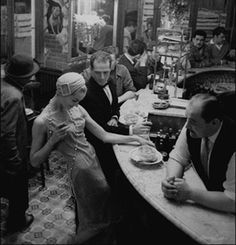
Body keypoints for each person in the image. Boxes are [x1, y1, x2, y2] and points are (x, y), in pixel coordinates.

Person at [30, 72, 152, 244]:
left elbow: (104, 135)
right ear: (62, 93)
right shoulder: (42, 121)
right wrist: (52, 141)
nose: (76, 105)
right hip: (77, 171)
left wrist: (135, 139)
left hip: (93, 161)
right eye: (74, 100)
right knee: (90, 216)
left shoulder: (77, 107)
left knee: (104, 205)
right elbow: (34, 161)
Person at [80, 51, 151, 186]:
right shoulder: (86, 93)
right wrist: (131, 130)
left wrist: (114, 116)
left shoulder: (111, 82)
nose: (102, 77)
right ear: (90, 70)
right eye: (97, 72)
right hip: (97, 143)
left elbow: (114, 107)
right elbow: (100, 128)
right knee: (109, 178)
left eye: (106, 72)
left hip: (112, 132)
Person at [161, 93, 235, 213]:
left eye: (193, 122)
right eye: (187, 119)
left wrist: (190, 193)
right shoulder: (192, 126)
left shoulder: (232, 142)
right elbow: (178, 156)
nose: (187, 126)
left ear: (214, 123)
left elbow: (232, 200)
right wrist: (171, 182)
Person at [1, 53, 40, 233]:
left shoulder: (4, 86)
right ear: (22, 78)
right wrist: (15, 159)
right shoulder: (14, 96)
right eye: (30, 75)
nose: (33, 77)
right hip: (10, 154)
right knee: (18, 192)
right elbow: (6, 133)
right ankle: (17, 221)